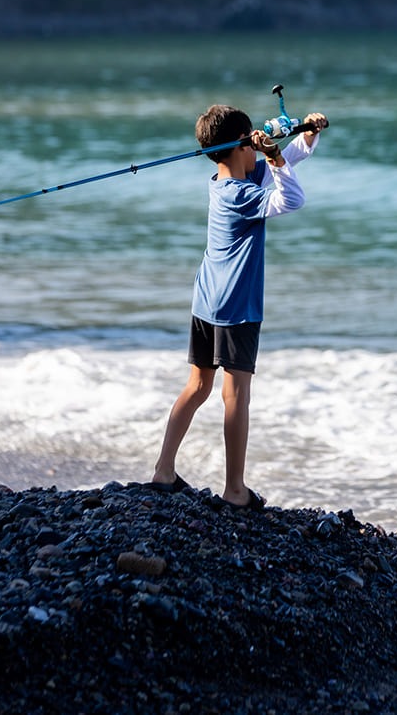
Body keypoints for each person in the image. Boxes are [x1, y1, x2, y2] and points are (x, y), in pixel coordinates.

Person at [147, 103, 328, 509]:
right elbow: (292, 198)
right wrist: (275, 157)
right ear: (242, 146)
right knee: (236, 395)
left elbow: (287, 162)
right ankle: (234, 490)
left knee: (197, 386)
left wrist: (306, 135)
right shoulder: (243, 195)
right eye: (252, 141)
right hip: (236, 307)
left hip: (206, 298)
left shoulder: (223, 182)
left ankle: (163, 471)